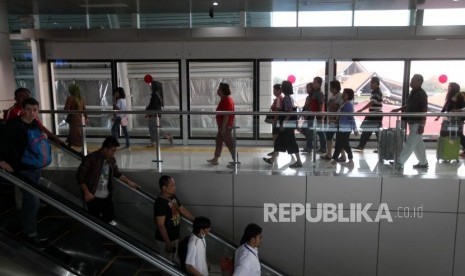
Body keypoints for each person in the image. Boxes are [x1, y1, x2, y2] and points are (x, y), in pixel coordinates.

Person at [0, 97, 51, 247]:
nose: (31, 113)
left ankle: (22, 224)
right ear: (22, 109)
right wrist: (2, 161)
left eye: (34, 110)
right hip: (21, 168)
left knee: (30, 200)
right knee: (33, 201)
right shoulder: (13, 125)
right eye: (28, 109)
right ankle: (30, 233)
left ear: (38, 111)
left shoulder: (34, 124)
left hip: (35, 166)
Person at [77, 136, 140, 225]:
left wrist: (129, 182)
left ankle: (104, 232)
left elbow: (117, 173)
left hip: (106, 195)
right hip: (93, 196)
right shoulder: (91, 159)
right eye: (112, 151)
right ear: (105, 149)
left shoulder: (111, 160)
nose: (113, 153)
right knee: (94, 219)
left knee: (110, 216)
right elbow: (80, 176)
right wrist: (86, 192)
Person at [391, 74, 428, 169]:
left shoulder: (422, 94)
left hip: (417, 122)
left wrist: (422, 125)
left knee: (409, 143)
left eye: (413, 80)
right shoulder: (413, 92)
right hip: (412, 122)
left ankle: (399, 162)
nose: (411, 82)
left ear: (419, 82)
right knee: (418, 145)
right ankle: (423, 162)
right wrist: (398, 109)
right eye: (411, 80)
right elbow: (407, 105)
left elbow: (424, 110)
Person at [154, 175, 195, 262]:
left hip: (175, 236)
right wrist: (168, 243)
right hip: (165, 240)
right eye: (172, 185)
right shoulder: (160, 203)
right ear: (164, 188)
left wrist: (195, 220)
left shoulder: (172, 196)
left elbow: (181, 209)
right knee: (167, 263)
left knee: (174, 260)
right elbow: (160, 225)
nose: (175, 187)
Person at [263, 80, 303, 168]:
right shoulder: (288, 98)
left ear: (285, 88)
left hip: (287, 125)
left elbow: (289, 111)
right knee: (278, 141)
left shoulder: (286, 98)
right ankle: (272, 160)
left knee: (291, 142)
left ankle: (299, 161)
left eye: (282, 87)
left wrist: (284, 123)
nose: (281, 88)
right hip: (288, 124)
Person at [207, 83, 236, 166]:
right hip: (223, 126)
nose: (217, 90)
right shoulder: (224, 99)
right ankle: (215, 159)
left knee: (229, 143)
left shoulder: (227, 100)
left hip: (225, 126)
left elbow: (226, 115)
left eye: (219, 89)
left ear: (223, 91)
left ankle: (235, 159)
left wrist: (223, 127)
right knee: (219, 141)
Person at [353, 77, 383, 152]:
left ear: (376, 83)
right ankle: (362, 146)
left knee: (371, 131)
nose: (370, 84)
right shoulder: (375, 91)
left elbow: (372, 102)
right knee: (373, 131)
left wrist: (362, 109)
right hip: (374, 114)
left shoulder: (376, 92)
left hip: (375, 115)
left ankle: (362, 146)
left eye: (371, 83)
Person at [330, 88, 357, 167]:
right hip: (341, 127)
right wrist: (335, 122)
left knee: (339, 144)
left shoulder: (348, 104)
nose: (343, 95)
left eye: (345, 93)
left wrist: (355, 129)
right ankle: (350, 160)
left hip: (345, 128)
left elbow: (351, 117)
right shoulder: (344, 104)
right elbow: (342, 117)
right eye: (344, 93)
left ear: (349, 96)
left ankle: (334, 160)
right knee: (345, 145)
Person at [320, 80, 346, 161]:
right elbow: (329, 106)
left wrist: (332, 105)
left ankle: (343, 156)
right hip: (331, 120)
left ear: (335, 88)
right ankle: (329, 154)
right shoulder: (332, 96)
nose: (330, 88)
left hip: (337, 120)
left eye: (331, 87)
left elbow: (335, 107)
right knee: (329, 136)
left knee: (339, 138)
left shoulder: (340, 96)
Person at [302, 77, 327, 154]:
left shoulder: (319, 93)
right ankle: (309, 147)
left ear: (319, 84)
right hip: (312, 115)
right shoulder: (314, 93)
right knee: (309, 131)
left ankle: (322, 147)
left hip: (316, 116)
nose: (313, 83)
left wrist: (319, 115)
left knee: (320, 132)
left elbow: (321, 104)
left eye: (314, 82)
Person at [146, 80, 173, 147]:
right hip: (156, 114)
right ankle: (154, 141)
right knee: (154, 128)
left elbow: (153, 105)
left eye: (151, 85)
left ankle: (167, 136)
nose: (150, 87)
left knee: (153, 128)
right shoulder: (158, 94)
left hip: (153, 114)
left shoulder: (154, 95)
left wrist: (148, 109)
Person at [64, 83, 88, 148]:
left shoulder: (70, 98)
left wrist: (72, 111)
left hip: (73, 118)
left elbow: (66, 109)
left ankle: (78, 145)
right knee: (77, 132)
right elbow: (84, 109)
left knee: (74, 132)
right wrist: (86, 118)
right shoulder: (81, 98)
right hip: (80, 118)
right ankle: (72, 144)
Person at [266, 84, 283, 156]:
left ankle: (276, 151)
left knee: (275, 136)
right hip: (278, 121)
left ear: (278, 90)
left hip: (277, 121)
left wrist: (274, 121)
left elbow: (278, 110)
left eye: (274, 90)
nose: (273, 92)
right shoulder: (279, 98)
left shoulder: (279, 99)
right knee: (275, 136)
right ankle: (276, 151)